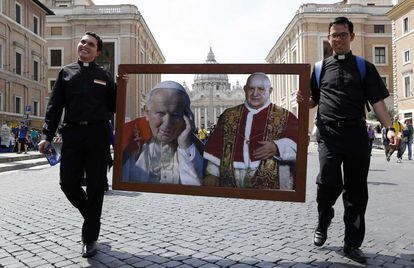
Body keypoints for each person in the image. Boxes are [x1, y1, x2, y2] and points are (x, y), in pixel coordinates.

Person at [303, 17, 395, 264]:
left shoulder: (365, 67)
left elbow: (377, 102)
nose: (338, 39)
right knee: (326, 183)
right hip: (329, 136)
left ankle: (352, 244)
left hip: (355, 135)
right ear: (329, 37)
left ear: (351, 37)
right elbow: (312, 100)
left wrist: (390, 128)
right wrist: (304, 100)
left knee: (356, 192)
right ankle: (323, 221)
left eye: (343, 35)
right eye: (334, 35)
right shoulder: (319, 68)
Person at [38, 32, 117, 258]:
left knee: (95, 188)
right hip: (72, 133)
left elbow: (113, 106)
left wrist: (121, 86)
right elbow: (55, 107)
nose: (85, 46)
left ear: (97, 52)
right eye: (83, 42)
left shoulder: (105, 74)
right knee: (68, 183)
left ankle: (89, 238)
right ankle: (93, 219)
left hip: (98, 134)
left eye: (90, 44)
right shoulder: (66, 72)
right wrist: (46, 135)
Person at [203, 72, 298, 190]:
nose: (255, 94)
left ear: (270, 90)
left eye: (261, 89)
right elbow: (217, 147)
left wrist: (278, 147)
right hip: (229, 181)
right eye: (251, 89)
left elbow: (300, 144)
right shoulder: (228, 115)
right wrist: (212, 173)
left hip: (271, 183)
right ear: (244, 89)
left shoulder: (286, 116)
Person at [122, 81, 203, 185]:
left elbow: (194, 190)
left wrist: (185, 146)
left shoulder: (190, 144)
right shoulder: (128, 138)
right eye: (160, 113)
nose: (167, 123)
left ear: (187, 116)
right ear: (147, 112)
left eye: (175, 115)